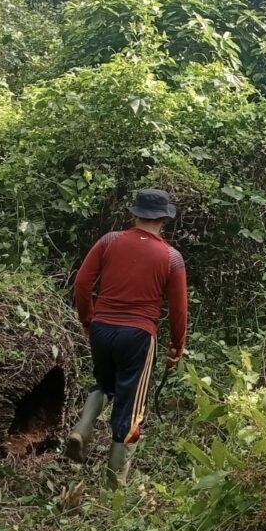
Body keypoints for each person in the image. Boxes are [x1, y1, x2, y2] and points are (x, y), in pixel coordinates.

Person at [65, 188, 188, 488]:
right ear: (163, 221)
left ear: (134, 215)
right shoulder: (172, 258)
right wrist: (177, 346)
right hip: (138, 334)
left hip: (102, 327)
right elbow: (178, 310)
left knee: (104, 383)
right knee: (132, 405)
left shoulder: (109, 241)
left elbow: (82, 282)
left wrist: (87, 320)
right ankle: (114, 482)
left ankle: (82, 428)